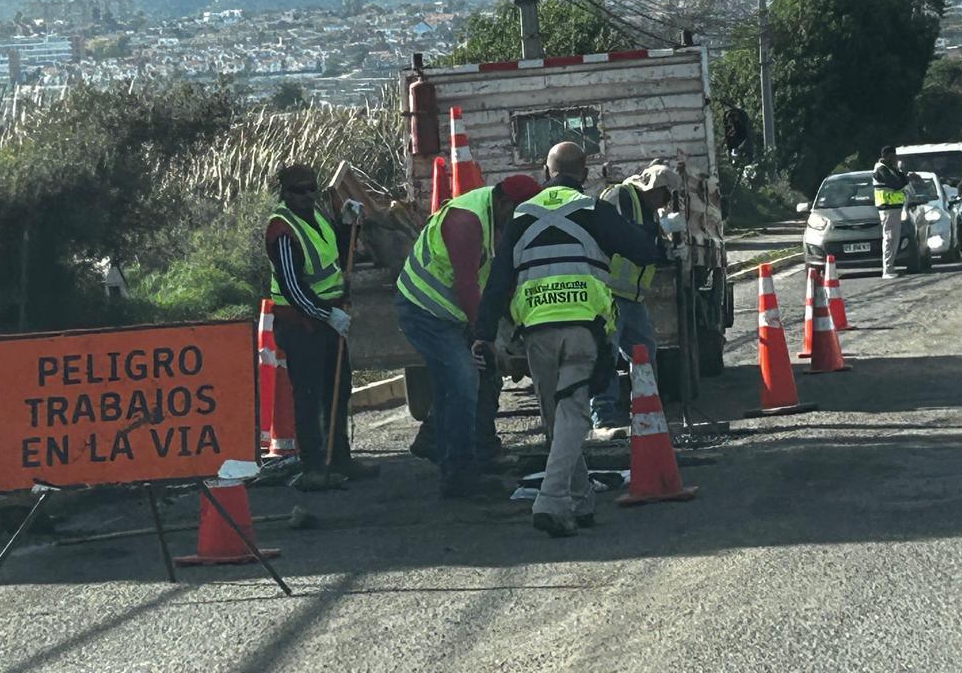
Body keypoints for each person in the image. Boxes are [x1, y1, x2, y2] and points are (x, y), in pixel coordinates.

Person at [472, 142, 671, 537]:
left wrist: (484, 335)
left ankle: (579, 502)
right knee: (572, 415)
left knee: (557, 418)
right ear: (585, 173)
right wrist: (658, 235)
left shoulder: (521, 217)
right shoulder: (593, 209)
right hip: (584, 325)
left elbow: (497, 281)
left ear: (546, 173)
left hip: (536, 330)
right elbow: (644, 251)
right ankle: (551, 499)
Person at [395, 174, 543, 499]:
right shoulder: (465, 221)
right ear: (504, 203)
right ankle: (459, 475)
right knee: (463, 382)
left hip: (453, 311)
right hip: (424, 310)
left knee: (478, 375)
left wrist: (514, 327)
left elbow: (499, 282)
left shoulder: (504, 219)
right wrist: (487, 337)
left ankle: (458, 445)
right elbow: (466, 285)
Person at [266, 164, 376, 490]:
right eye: (300, 190)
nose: (308, 195)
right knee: (309, 395)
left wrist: (345, 224)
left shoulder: (319, 219)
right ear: (285, 193)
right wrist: (325, 314)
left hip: (329, 317)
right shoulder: (281, 229)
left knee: (338, 389)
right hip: (301, 324)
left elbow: (335, 256)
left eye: (312, 188)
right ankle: (314, 466)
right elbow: (291, 286)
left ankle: (340, 457)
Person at [589, 163, 685, 433]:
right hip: (610, 293)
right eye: (665, 194)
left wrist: (668, 250)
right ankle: (603, 417)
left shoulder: (649, 210)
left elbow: (648, 249)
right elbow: (626, 236)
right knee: (606, 355)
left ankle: (646, 405)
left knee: (644, 352)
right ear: (653, 188)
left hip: (632, 296)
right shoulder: (621, 196)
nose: (666, 201)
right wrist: (660, 230)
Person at [872, 146, 916, 280]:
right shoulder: (880, 169)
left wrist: (899, 171)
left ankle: (890, 267)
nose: (895, 159)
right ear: (888, 156)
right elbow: (897, 184)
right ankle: (887, 269)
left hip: (895, 208)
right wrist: (901, 177)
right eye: (893, 156)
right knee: (890, 238)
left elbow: (903, 180)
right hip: (887, 208)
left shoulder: (890, 169)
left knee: (894, 239)